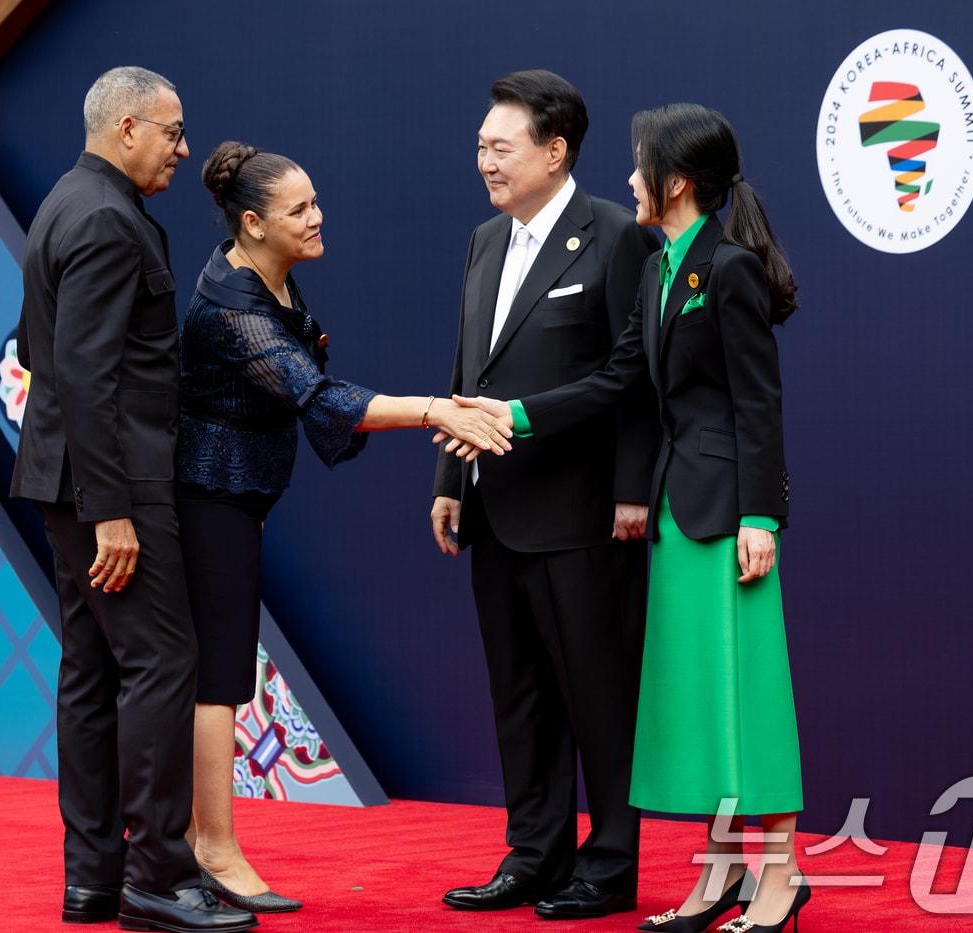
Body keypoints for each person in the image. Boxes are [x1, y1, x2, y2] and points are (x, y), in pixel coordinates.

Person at [450, 102, 808, 933]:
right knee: (698, 702)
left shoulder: (729, 269)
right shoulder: (659, 269)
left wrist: (763, 514)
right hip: (679, 520)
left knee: (745, 697)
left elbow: (760, 406)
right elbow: (624, 384)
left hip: (731, 518)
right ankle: (721, 876)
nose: (627, 178)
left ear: (675, 182)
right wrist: (521, 419)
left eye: (640, 165)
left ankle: (782, 878)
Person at [177, 140, 515, 914]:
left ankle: (203, 840)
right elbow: (321, 398)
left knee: (221, 668)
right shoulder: (232, 308)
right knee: (220, 675)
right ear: (255, 223)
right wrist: (438, 407)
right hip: (208, 495)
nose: (318, 217)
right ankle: (214, 847)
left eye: (316, 200)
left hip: (238, 494)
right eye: (300, 210)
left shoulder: (269, 281)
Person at [10, 67, 255, 933]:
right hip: (113, 487)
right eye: (172, 132)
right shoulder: (109, 220)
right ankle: (158, 876)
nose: (185, 151)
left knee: (91, 670)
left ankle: (94, 880)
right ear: (125, 129)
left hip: (66, 478)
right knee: (158, 664)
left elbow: (34, 344)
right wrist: (113, 506)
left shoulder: (65, 206)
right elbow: (79, 369)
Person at [430, 70, 660, 920]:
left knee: (597, 694)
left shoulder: (612, 235)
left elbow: (635, 378)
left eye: (502, 146)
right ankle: (534, 854)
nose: (485, 160)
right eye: (482, 146)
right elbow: (469, 369)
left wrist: (632, 492)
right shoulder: (485, 240)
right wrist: (453, 476)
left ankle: (610, 864)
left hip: (586, 510)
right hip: (495, 507)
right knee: (518, 693)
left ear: (555, 150)